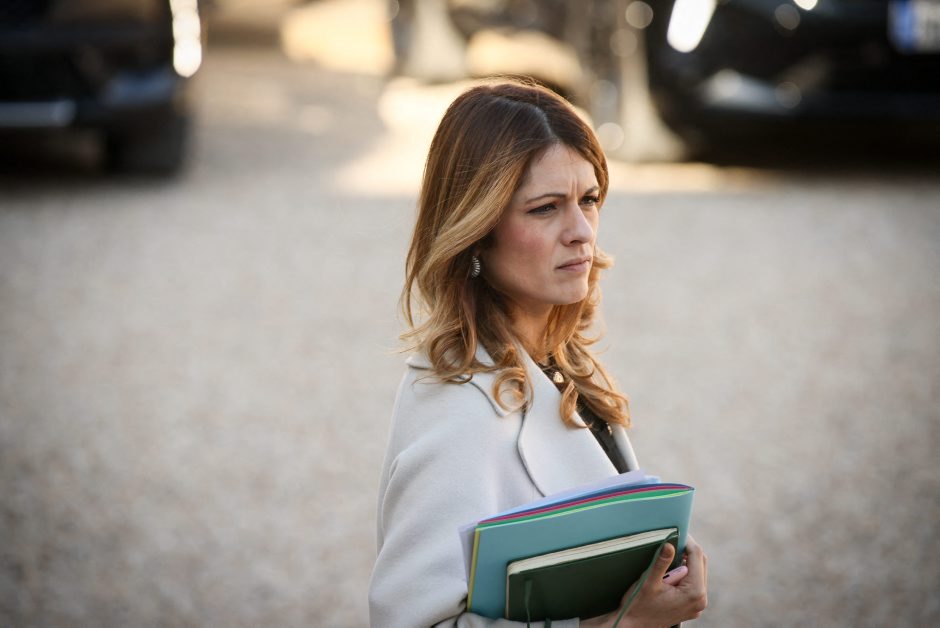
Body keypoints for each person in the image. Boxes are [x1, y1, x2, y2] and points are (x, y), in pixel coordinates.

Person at [369, 79, 708, 627]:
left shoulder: (558, 360)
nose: (581, 232)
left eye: (589, 200)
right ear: (476, 231)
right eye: (546, 208)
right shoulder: (458, 412)